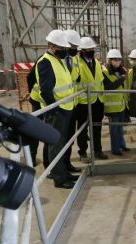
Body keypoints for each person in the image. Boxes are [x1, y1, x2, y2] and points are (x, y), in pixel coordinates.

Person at [33, 29, 78, 188]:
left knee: (62, 144)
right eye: (62, 47)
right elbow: (45, 90)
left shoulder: (57, 60)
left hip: (65, 108)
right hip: (57, 111)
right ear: (52, 46)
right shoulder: (45, 62)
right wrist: (54, 110)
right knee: (55, 145)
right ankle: (60, 178)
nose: (64, 50)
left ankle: (64, 172)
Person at [75, 37, 108, 161]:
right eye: (89, 49)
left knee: (97, 127)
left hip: (98, 100)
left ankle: (98, 151)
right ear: (82, 50)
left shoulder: (96, 63)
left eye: (92, 48)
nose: (91, 50)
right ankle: (82, 153)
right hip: (83, 102)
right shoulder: (77, 63)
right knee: (83, 129)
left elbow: (100, 81)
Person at [102, 49, 129, 156]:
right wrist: (122, 79)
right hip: (112, 107)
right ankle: (115, 149)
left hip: (121, 105)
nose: (117, 61)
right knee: (114, 130)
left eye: (119, 60)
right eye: (115, 60)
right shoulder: (105, 72)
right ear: (110, 60)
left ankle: (122, 145)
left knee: (120, 128)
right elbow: (109, 86)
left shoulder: (120, 71)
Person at [62, 29, 81, 173]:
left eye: (76, 47)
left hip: (72, 104)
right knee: (58, 140)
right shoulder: (55, 59)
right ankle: (57, 169)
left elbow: (74, 78)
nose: (75, 50)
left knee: (69, 138)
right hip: (59, 106)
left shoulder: (74, 59)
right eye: (73, 47)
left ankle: (67, 164)